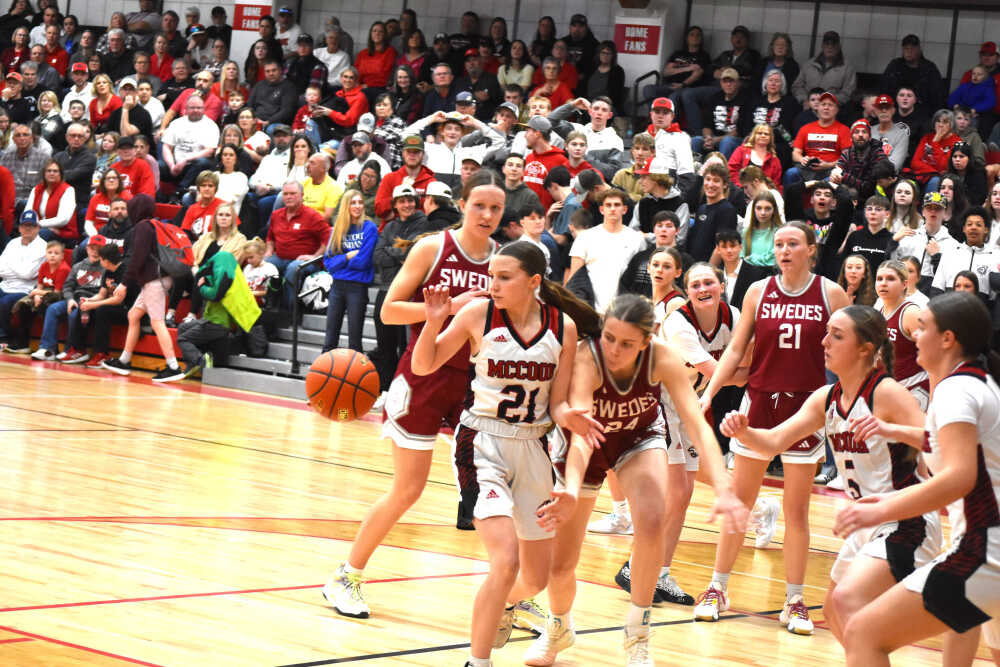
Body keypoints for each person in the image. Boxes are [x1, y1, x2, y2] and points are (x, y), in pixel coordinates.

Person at [527, 291, 746, 666]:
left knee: (652, 520)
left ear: (647, 340)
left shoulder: (662, 357)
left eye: (626, 343)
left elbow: (697, 425)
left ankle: (637, 636)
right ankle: (559, 626)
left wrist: (724, 487)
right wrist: (572, 489)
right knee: (561, 566)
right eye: (609, 338)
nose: (614, 349)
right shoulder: (587, 358)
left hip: (637, 439)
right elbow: (581, 438)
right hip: (588, 444)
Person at [323, 171, 505, 618]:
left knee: (498, 491)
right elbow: (388, 311)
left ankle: (515, 596)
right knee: (408, 489)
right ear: (462, 204)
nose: (487, 214)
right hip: (424, 375)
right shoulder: (433, 247)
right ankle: (346, 575)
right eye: (479, 205)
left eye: (496, 208)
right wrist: (444, 309)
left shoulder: (504, 258)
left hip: (476, 383)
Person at [410, 241, 599, 667]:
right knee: (506, 560)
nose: (492, 285)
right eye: (491, 276)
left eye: (504, 277)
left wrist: (571, 417)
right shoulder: (478, 314)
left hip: (534, 446)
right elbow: (424, 365)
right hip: (481, 443)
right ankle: (477, 661)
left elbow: (557, 404)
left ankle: (502, 604)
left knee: (534, 578)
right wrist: (433, 321)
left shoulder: (563, 327)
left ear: (533, 282)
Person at [724, 303, 940, 641]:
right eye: (826, 333)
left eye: (836, 336)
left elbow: (938, 440)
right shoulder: (826, 398)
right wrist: (743, 431)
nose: (824, 341)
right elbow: (773, 442)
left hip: (905, 521)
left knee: (846, 603)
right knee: (834, 613)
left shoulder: (886, 392)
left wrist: (891, 429)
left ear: (865, 349)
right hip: (864, 523)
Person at [694, 222, 850, 633]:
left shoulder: (831, 293)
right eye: (779, 244)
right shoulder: (757, 291)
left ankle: (794, 600)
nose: (784, 250)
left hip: (807, 407)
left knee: (797, 511)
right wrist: (709, 393)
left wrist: (851, 399)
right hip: (760, 402)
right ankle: (717, 587)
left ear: (811, 249)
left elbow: (849, 351)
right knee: (740, 502)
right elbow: (736, 348)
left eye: (792, 244)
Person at [834, 292, 1000, 666]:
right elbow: (954, 444)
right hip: (988, 550)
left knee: (862, 634)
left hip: (985, 552)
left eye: (922, 328)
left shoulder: (956, 390)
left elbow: (959, 476)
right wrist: (893, 431)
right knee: (959, 627)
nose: (913, 336)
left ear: (948, 339)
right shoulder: (980, 383)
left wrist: (883, 510)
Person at [99, 213, 185, 382]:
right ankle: (124, 361)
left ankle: (174, 367)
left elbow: (137, 258)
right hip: (154, 279)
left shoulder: (143, 227)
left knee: (157, 322)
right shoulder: (151, 226)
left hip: (155, 280)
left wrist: (124, 283)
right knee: (133, 315)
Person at [566, 189, 644, 314]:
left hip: (625, 312)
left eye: (617, 205)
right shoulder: (585, 237)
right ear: (601, 210)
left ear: (624, 209)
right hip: (591, 310)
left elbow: (640, 278)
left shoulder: (637, 239)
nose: (612, 209)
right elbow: (574, 277)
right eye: (608, 205)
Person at [320, 191, 377, 353]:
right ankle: (325, 369)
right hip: (337, 286)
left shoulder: (369, 228)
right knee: (330, 340)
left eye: (360, 202)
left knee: (355, 341)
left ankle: (355, 370)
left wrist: (340, 262)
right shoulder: (338, 229)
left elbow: (363, 262)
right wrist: (347, 256)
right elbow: (328, 263)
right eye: (353, 203)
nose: (357, 206)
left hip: (357, 287)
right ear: (346, 206)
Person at [875, 260, 931, 410]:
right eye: (879, 279)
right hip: (890, 388)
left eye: (890, 279)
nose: (883, 283)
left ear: (904, 284)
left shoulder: (911, 313)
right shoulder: (879, 312)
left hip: (915, 387)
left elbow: (935, 355)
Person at [0, 210, 45, 347]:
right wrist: (19, 268)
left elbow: (27, 274)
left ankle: (3, 337)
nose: (27, 228)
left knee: (4, 303)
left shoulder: (42, 246)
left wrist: (10, 263)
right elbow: (1, 269)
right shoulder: (12, 243)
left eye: (31, 225)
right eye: (25, 225)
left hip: (25, 289)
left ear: (38, 228)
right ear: (19, 228)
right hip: (5, 285)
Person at [882, 34, 946, 114]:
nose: (909, 51)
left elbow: (938, 96)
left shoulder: (929, 68)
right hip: (896, 111)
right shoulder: (895, 65)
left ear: (919, 50)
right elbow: (884, 89)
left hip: (922, 113)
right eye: (906, 48)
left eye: (912, 48)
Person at [791, 31, 856, 108]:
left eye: (833, 44)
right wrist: (805, 100)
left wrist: (827, 102)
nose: (830, 47)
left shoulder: (847, 68)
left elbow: (848, 93)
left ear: (839, 46)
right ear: (822, 45)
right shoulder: (808, 64)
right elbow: (797, 86)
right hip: (808, 107)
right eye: (827, 44)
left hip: (832, 109)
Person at [24, 158, 75, 244]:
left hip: (62, 232)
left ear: (60, 174)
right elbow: (27, 212)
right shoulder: (36, 189)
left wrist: (38, 224)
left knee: (38, 235)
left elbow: (63, 219)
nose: (52, 173)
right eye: (49, 171)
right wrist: (31, 224)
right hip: (38, 228)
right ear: (44, 173)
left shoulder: (68, 190)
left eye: (55, 171)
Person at [840, 195, 893, 275]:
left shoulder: (891, 239)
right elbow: (843, 264)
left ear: (887, 214)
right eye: (869, 209)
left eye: (878, 209)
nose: (873, 212)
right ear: (865, 212)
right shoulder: (854, 236)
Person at [911, 109, 961, 193]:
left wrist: (935, 142)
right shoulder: (926, 138)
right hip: (924, 175)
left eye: (945, 122)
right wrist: (933, 172)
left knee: (935, 180)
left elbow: (944, 166)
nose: (940, 125)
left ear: (951, 125)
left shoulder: (956, 142)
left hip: (942, 178)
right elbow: (915, 162)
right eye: (938, 121)